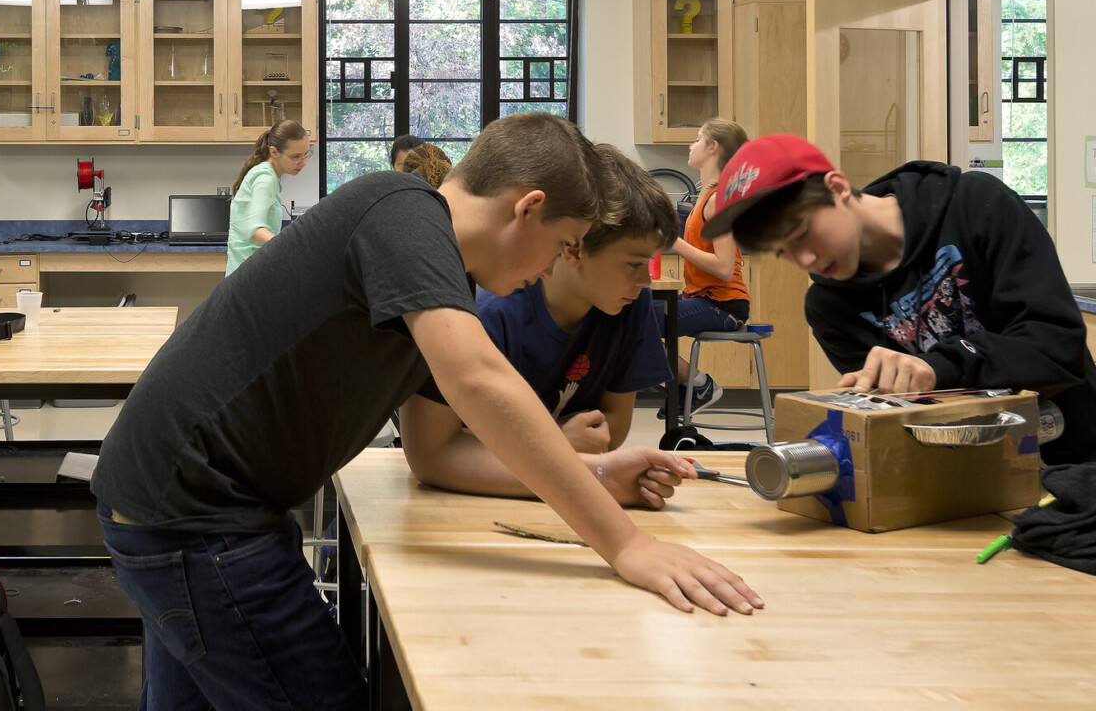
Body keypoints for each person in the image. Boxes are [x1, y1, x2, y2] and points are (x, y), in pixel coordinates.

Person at [92, 112, 760, 711]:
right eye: (563, 244)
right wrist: (625, 543)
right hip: (195, 518)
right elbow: (479, 381)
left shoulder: (440, 275)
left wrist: (599, 470)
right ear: (527, 209)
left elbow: (439, 452)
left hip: (180, 505)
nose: (558, 263)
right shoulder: (402, 211)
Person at [705, 133, 1096, 465]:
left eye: (802, 233)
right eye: (782, 252)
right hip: (967, 481)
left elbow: (1057, 347)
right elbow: (898, 424)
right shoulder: (829, 308)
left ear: (837, 188)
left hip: (1076, 461)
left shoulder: (976, 205)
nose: (803, 260)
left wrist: (936, 368)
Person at [401, 144, 677, 498]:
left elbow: (612, 428)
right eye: (634, 264)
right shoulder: (488, 311)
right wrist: (558, 445)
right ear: (573, 248)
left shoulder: (628, 305)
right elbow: (442, 452)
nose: (646, 282)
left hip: (542, 487)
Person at [657, 118, 750, 419]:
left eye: (697, 139)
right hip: (704, 299)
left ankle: (698, 384)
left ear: (713, 147)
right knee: (622, 310)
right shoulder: (707, 195)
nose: (690, 145)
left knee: (632, 320)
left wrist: (675, 242)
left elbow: (724, 268)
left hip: (724, 307)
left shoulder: (719, 198)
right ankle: (691, 385)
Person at [225, 119, 310, 276]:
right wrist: (293, 249)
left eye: (306, 154)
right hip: (249, 274)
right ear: (274, 152)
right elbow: (257, 231)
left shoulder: (268, 174)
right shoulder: (265, 179)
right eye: (296, 156)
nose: (303, 162)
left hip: (249, 270)